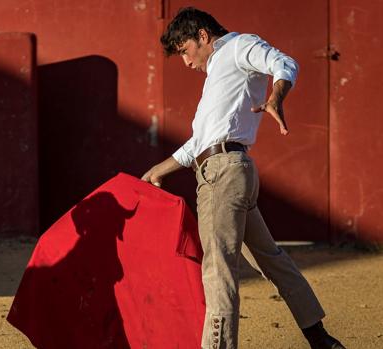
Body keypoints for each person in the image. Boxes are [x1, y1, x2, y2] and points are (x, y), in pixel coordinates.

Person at [141, 7, 345, 349]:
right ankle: (320, 338)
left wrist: (276, 96)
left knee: (218, 268)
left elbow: (285, 63)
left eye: (185, 51)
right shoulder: (218, 77)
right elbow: (199, 143)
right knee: (271, 259)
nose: (186, 62)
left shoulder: (238, 47)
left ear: (202, 36)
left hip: (222, 175)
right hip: (229, 170)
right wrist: (157, 171)